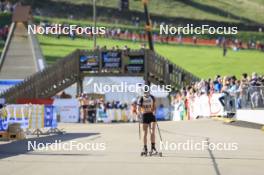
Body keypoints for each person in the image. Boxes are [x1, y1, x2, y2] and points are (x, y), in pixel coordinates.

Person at [137, 88, 157, 156]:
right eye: (145, 92)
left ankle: (153, 147)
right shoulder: (141, 98)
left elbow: (154, 106)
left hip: (151, 115)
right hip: (144, 115)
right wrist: (139, 114)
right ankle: (145, 148)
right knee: (145, 132)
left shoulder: (152, 97)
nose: (146, 93)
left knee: (152, 131)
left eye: (147, 91)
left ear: (149, 91)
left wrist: (154, 112)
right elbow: (138, 108)